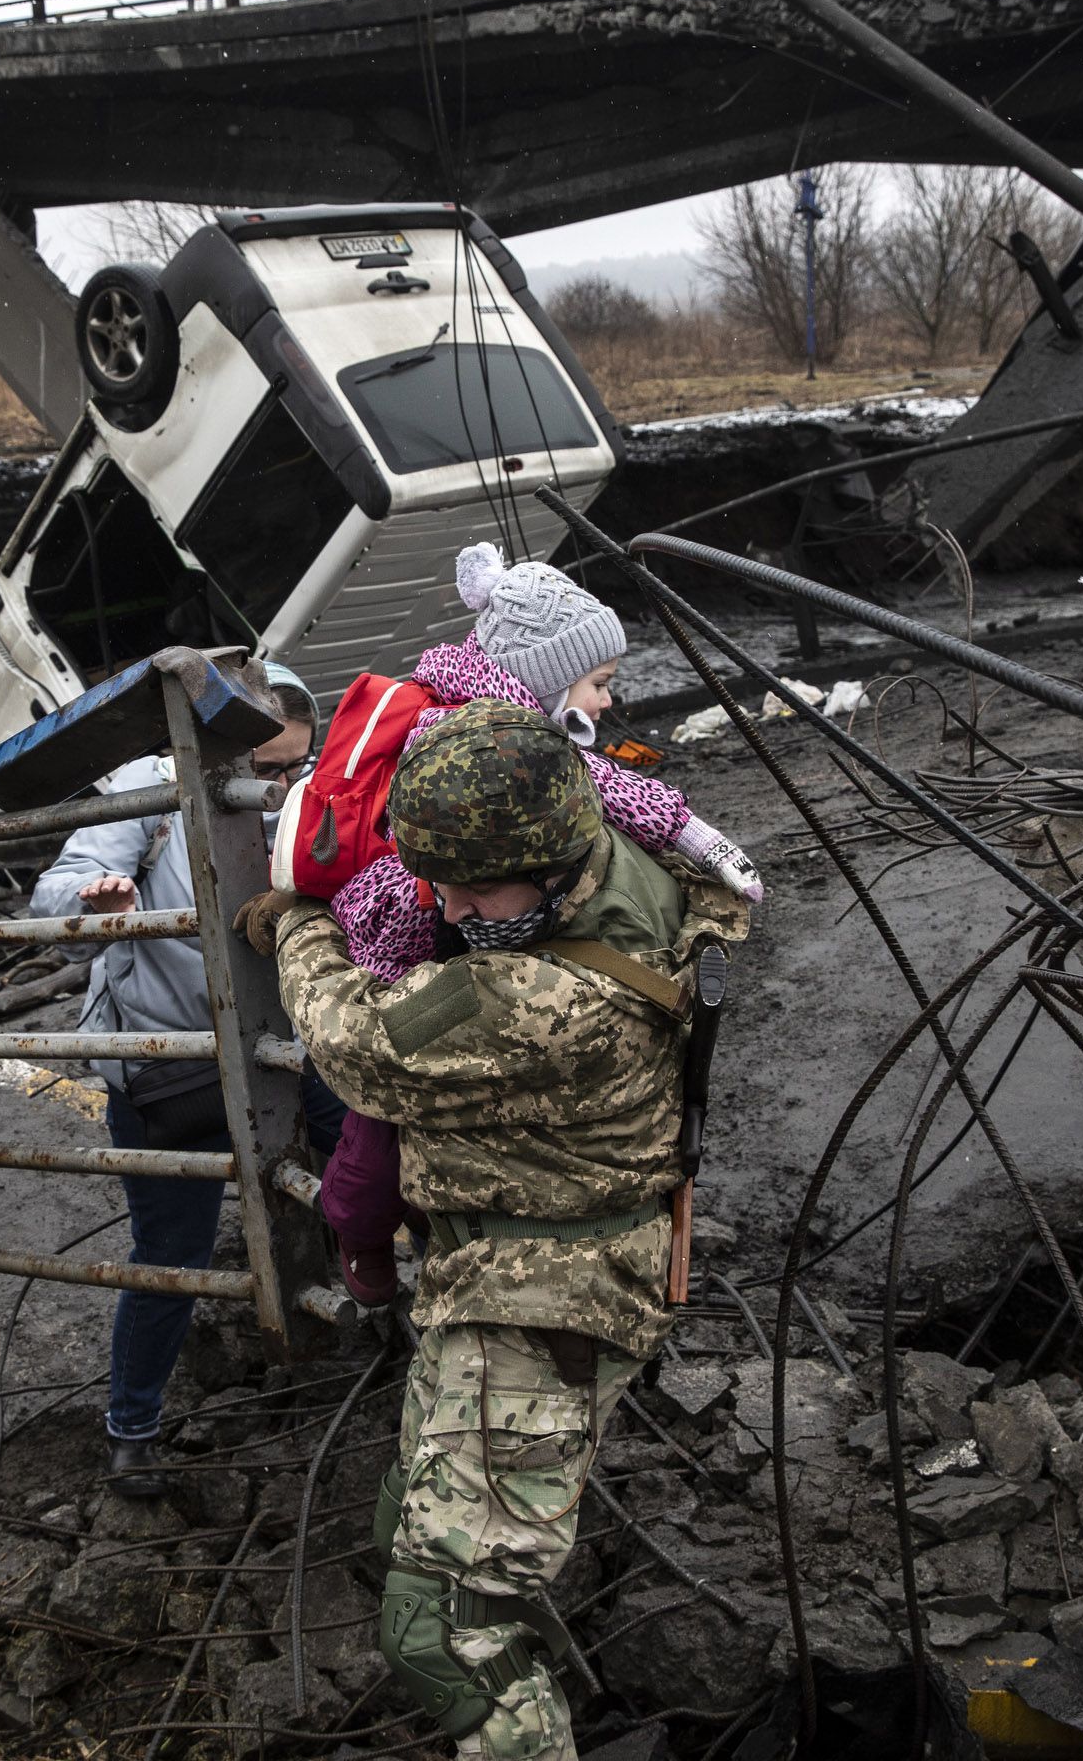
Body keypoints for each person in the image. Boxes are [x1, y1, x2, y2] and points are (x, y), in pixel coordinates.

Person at [254, 702, 750, 1761]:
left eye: (481, 890)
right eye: (444, 883)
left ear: (558, 861)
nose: (456, 908)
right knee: (415, 1529)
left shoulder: (550, 996)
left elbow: (358, 1043)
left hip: (542, 1304)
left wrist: (300, 917)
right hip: (506, 1277)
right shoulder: (623, 860)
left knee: (444, 1631)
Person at [318, 540, 762, 1306]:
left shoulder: (523, 743)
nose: (609, 702)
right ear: (547, 680)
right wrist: (693, 835)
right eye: (598, 684)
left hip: (463, 944)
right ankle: (364, 1237)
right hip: (415, 939)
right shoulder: (482, 747)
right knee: (379, 1110)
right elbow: (357, 1040)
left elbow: (600, 783)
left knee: (402, 1103)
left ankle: (398, 1231)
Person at [28, 661, 347, 1497]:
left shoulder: (307, 798)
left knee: (366, 1160)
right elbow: (55, 897)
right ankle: (131, 1428)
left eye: (292, 770)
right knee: (170, 1250)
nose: (275, 790)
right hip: (171, 1063)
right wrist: (95, 903)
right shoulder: (150, 788)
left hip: (286, 1048)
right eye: (262, 771)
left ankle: (380, 1313)